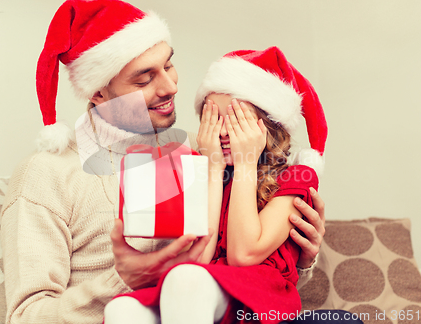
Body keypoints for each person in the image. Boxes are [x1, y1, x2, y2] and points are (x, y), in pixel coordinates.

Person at [1, 0, 326, 324]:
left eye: (169, 65)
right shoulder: (47, 173)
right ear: (98, 92)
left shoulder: (198, 154)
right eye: (144, 79)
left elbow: (239, 275)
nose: (171, 87)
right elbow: (25, 317)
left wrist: (300, 255)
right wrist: (124, 280)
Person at [104, 46, 326, 324]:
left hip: (257, 299)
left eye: (234, 120)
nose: (221, 132)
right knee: (121, 309)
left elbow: (243, 255)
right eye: (212, 119)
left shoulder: (296, 177)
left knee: (186, 279)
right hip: (201, 290)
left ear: (268, 125)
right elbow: (201, 256)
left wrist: (246, 162)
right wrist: (212, 167)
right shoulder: (203, 169)